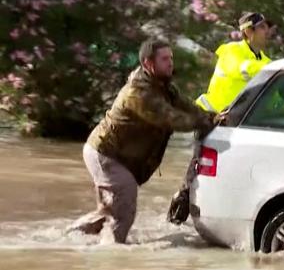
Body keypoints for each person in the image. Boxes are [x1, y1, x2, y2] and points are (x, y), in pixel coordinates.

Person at [70, 38, 215, 244]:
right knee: (124, 209)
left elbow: (188, 107)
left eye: (171, 58)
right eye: (165, 59)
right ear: (148, 63)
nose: (170, 63)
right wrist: (207, 123)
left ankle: (71, 237)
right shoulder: (139, 92)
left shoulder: (164, 87)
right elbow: (173, 119)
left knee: (110, 211)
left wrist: (213, 117)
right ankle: (111, 257)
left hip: (116, 155)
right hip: (106, 154)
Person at [168, 12, 274, 224]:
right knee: (196, 175)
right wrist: (276, 69)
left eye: (266, 27)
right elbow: (243, 70)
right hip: (211, 121)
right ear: (248, 32)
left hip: (236, 126)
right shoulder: (231, 51)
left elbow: (276, 98)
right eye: (262, 27)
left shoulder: (265, 61)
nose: (267, 32)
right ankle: (176, 220)